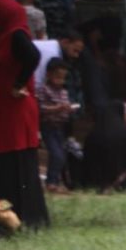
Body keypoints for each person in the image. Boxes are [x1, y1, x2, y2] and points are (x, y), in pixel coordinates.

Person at [0, 0, 47, 229]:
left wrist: (18, 84)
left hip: (15, 111)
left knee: (15, 162)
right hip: (5, 111)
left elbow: (33, 57)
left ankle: (23, 220)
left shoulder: (15, 35)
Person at [37, 58, 75, 194]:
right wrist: (57, 108)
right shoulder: (43, 90)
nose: (61, 80)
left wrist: (68, 109)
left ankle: (55, 181)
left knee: (61, 155)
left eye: (63, 77)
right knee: (56, 154)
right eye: (58, 77)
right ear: (49, 74)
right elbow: (40, 108)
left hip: (61, 127)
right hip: (49, 126)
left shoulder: (63, 92)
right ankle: (51, 182)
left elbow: (65, 105)